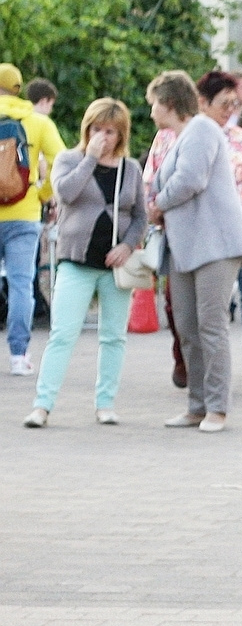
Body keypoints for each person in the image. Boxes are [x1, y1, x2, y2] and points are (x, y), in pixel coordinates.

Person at [145, 70, 242, 433]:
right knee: (187, 328)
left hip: (216, 244)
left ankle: (218, 408)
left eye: (154, 105)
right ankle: (196, 405)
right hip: (185, 246)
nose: (151, 113)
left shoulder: (203, 129)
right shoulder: (177, 138)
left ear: (170, 103)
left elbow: (191, 179)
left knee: (211, 326)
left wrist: (158, 203)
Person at [25, 99, 144, 427]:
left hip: (115, 266)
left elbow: (139, 215)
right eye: (96, 129)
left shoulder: (130, 168)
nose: (102, 136)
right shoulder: (69, 159)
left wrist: (128, 244)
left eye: (110, 131)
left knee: (113, 336)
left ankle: (105, 403)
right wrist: (91, 158)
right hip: (76, 261)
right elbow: (65, 192)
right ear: (86, 128)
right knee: (62, 333)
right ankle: (42, 404)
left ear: (121, 134)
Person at [197, 71, 242, 378]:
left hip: (238, 232)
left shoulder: (239, 137)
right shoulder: (185, 133)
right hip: (199, 233)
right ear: (203, 102)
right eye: (224, 103)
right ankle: (198, 369)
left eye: (234, 103)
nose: (230, 110)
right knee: (204, 310)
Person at [0, 63, 62, 376]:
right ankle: (18, 356)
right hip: (23, 215)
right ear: (19, 88)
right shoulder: (36, 122)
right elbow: (60, 161)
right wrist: (42, 193)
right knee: (21, 284)